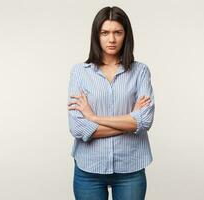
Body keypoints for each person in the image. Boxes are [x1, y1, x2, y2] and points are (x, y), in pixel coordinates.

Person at [67, 6, 155, 200]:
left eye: (118, 32)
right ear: (96, 36)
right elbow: (78, 128)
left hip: (130, 169)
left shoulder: (140, 72)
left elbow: (145, 121)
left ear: (126, 35)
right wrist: (130, 122)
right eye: (105, 33)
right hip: (89, 169)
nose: (112, 39)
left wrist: (93, 117)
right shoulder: (80, 73)